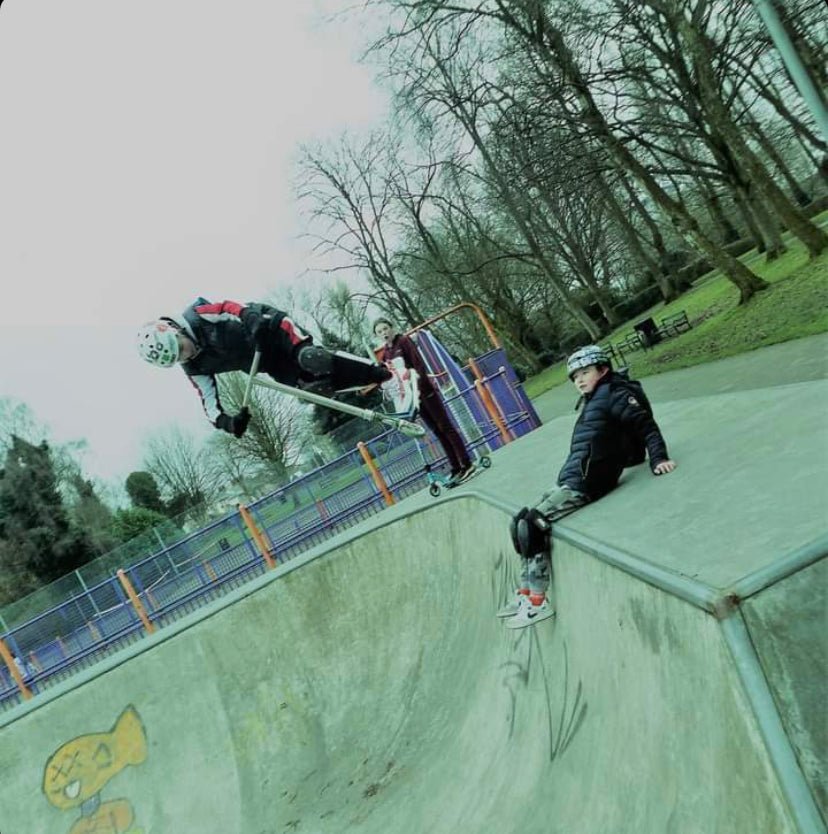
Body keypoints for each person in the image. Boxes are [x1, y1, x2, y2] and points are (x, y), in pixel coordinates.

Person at [500, 345, 677, 629]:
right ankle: (524, 593)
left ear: (603, 370)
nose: (579, 380)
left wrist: (659, 458)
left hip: (589, 482)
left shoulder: (615, 394)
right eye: (574, 377)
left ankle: (538, 601)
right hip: (573, 477)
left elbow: (647, 426)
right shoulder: (594, 398)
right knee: (518, 522)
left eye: (585, 373)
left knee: (531, 525)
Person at [137, 299, 410, 437]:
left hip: (271, 330)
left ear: (175, 330)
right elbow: (209, 405)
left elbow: (232, 307)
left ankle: (383, 370)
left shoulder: (198, 315)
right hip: (265, 362)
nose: (186, 355)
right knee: (314, 388)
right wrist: (229, 423)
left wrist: (252, 321)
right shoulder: (194, 367)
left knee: (311, 359)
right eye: (179, 359)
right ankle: (376, 383)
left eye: (181, 348)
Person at [373, 317, 476, 486]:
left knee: (445, 426)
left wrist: (418, 386)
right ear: (376, 335)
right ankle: (455, 466)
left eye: (385, 328)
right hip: (413, 398)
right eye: (380, 331)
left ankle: (466, 463)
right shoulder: (387, 353)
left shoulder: (404, 342)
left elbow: (418, 365)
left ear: (392, 328)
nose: (384, 333)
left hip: (425, 391)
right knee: (436, 430)